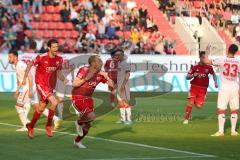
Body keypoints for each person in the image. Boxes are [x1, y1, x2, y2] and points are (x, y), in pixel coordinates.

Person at [21, 39, 68, 139]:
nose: (56, 49)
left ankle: (31, 126)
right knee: (54, 102)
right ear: (49, 48)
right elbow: (29, 64)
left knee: (41, 108)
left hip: (50, 87)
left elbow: (58, 72)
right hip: (41, 84)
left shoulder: (59, 59)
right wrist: (25, 77)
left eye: (57, 47)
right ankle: (48, 126)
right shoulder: (41, 57)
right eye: (54, 47)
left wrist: (64, 79)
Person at [72, 55, 114, 148]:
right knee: (91, 116)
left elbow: (112, 86)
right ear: (93, 63)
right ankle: (78, 122)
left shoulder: (100, 74)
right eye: (99, 61)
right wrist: (86, 79)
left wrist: (106, 76)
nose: (101, 63)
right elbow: (74, 83)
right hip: (78, 97)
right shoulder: (84, 69)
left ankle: (77, 141)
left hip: (88, 99)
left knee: (88, 124)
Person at [205, 44, 240, 137]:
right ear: (236, 52)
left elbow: (206, 61)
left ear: (228, 50)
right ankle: (233, 131)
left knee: (221, 110)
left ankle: (221, 131)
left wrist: (207, 50)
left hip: (224, 87)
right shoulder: (238, 61)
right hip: (235, 87)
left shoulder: (222, 59)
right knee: (234, 110)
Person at [183, 51, 218, 124]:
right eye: (203, 57)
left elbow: (214, 74)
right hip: (194, 87)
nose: (205, 59)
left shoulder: (209, 67)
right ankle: (186, 119)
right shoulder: (194, 66)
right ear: (200, 58)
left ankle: (193, 99)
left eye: (205, 57)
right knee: (190, 102)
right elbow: (187, 77)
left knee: (199, 106)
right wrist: (193, 75)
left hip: (203, 89)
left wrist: (215, 82)